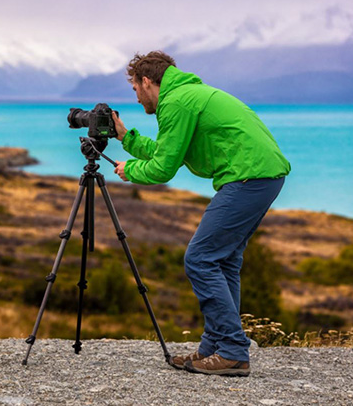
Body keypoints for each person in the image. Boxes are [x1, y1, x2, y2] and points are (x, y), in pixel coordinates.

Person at [112, 50, 290, 377]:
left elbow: (163, 168)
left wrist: (131, 170)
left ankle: (234, 352)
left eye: (135, 89)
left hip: (248, 177)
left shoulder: (175, 102)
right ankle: (215, 348)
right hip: (263, 175)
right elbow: (170, 152)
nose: (136, 99)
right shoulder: (186, 95)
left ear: (147, 81)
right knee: (223, 261)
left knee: (200, 257)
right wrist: (127, 138)